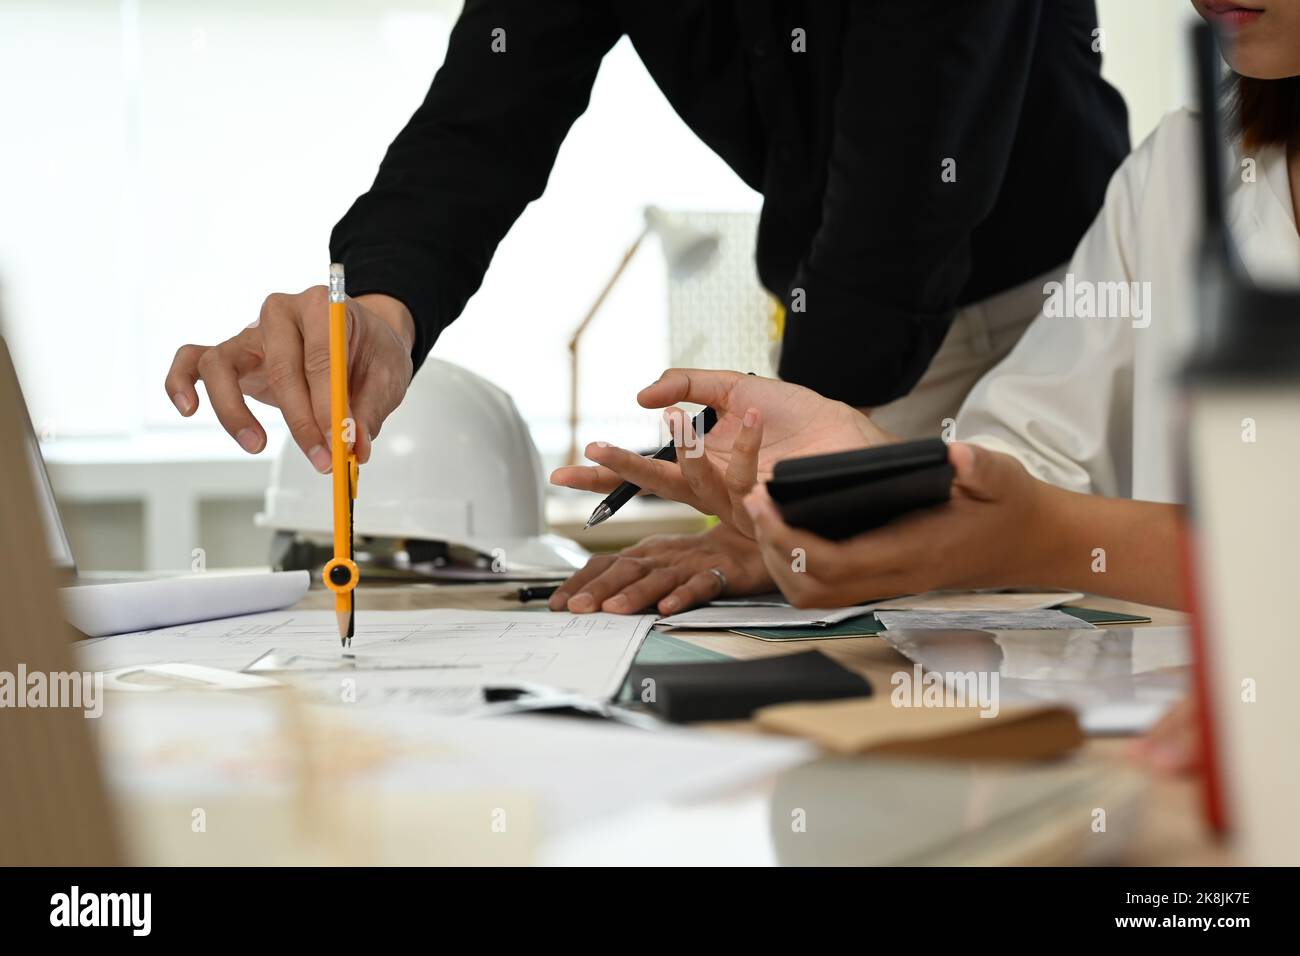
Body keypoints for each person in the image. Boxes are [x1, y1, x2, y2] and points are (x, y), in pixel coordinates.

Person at [551, 0, 1300, 626]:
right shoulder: (1177, 166)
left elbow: (1045, 519)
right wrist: (864, 481)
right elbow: (1029, 455)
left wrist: (1038, 535)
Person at [164, 1, 1127, 474]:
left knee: (1063, 662)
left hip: (1060, 298)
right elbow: (482, 118)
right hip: (848, 315)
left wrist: (762, 445)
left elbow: (913, 174)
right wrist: (378, 306)